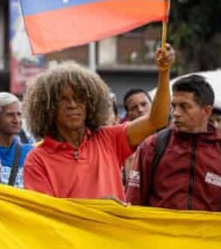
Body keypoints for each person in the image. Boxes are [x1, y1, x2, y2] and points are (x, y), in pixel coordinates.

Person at [23, 45, 175, 199]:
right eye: (63, 99)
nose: (72, 105)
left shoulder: (109, 138)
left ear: (90, 104)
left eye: (79, 98)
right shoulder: (36, 159)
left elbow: (157, 120)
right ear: (48, 107)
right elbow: (44, 211)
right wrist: (99, 206)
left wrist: (164, 72)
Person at [125, 73, 221, 211]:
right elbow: (132, 205)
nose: (175, 113)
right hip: (157, 226)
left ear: (206, 111)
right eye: (174, 106)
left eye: (184, 106)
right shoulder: (153, 146)